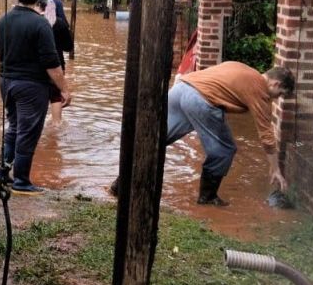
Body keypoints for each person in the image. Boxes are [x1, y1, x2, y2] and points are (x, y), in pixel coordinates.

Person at [109, 62, 295, 206]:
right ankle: (207, 199)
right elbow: (267, 136)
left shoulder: (244, 70)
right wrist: (275, 169)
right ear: (275, 83)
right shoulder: (259, 89)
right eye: (279, 94)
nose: (276, 99)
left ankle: (120, 186)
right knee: (225, 150)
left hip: (181, 89)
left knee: (153, 141)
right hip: (200, 100)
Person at [0, 0, 72, 195]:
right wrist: (65, 89)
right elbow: (52, 64)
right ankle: (21, 181)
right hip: (31, 87)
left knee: (15, 128)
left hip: (6, 82)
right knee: (27, 133)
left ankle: (2, 173)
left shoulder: (2, 20)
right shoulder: (40, 24)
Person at [38, 0, 73, 125]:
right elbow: (69, 47)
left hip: (36, 66)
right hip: (57, 64)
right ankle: (56, 124)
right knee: (55, 96)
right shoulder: (60, 23)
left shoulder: (35, 22)